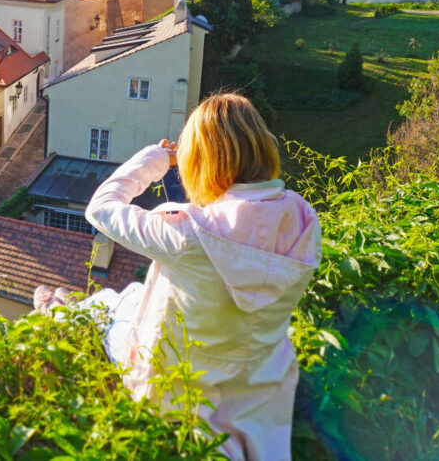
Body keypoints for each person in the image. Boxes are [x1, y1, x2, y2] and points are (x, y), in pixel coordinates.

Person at [80, 93, 321, 461]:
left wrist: (156, 159)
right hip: (258, 395)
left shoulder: (189, 233)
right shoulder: (303, 219)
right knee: (131, 292)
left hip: (177, 394)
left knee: (102, 304)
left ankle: (58, 306)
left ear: (202, 160)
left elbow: (101, 208)